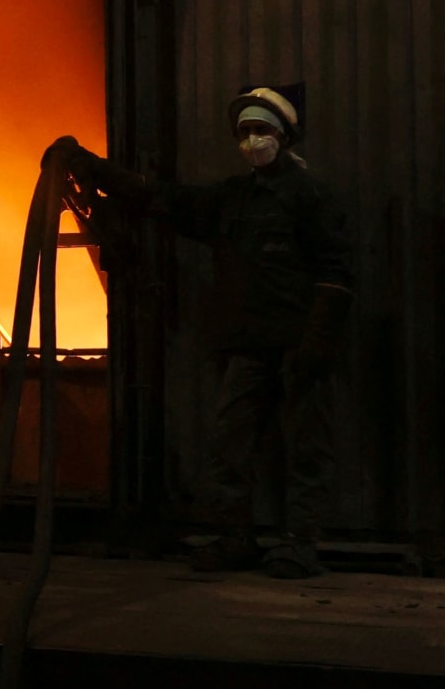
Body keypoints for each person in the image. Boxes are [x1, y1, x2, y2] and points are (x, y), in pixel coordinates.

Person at [59, 85, 351, 579]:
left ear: (283, 135)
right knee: (229, 444)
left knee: (305, 447)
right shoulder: (231, 199)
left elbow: (337, 272)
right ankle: (235, 538)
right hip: (249, 347)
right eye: (244, 131)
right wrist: (94, 168)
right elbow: (162, 198)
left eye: (261, 130)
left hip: (297, 347)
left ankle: (300, 544)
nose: (252, 140)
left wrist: (316, 343)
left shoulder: (311, 197)